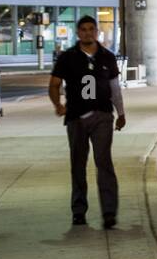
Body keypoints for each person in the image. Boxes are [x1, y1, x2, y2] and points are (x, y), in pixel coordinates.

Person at [48, 15, 125, 228]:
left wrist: (121, 113)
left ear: (97, 32)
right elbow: (54, 84)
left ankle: (109, 212)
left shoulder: (107, 57)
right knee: (78, 165)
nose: (87, 33)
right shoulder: (67, 57)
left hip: (102, 115)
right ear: (78, 33)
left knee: (104, 162)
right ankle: (79, 211)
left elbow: (115, 89)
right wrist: (58, 105)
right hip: (76, 118)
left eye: (91, 29)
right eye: (83, 29)